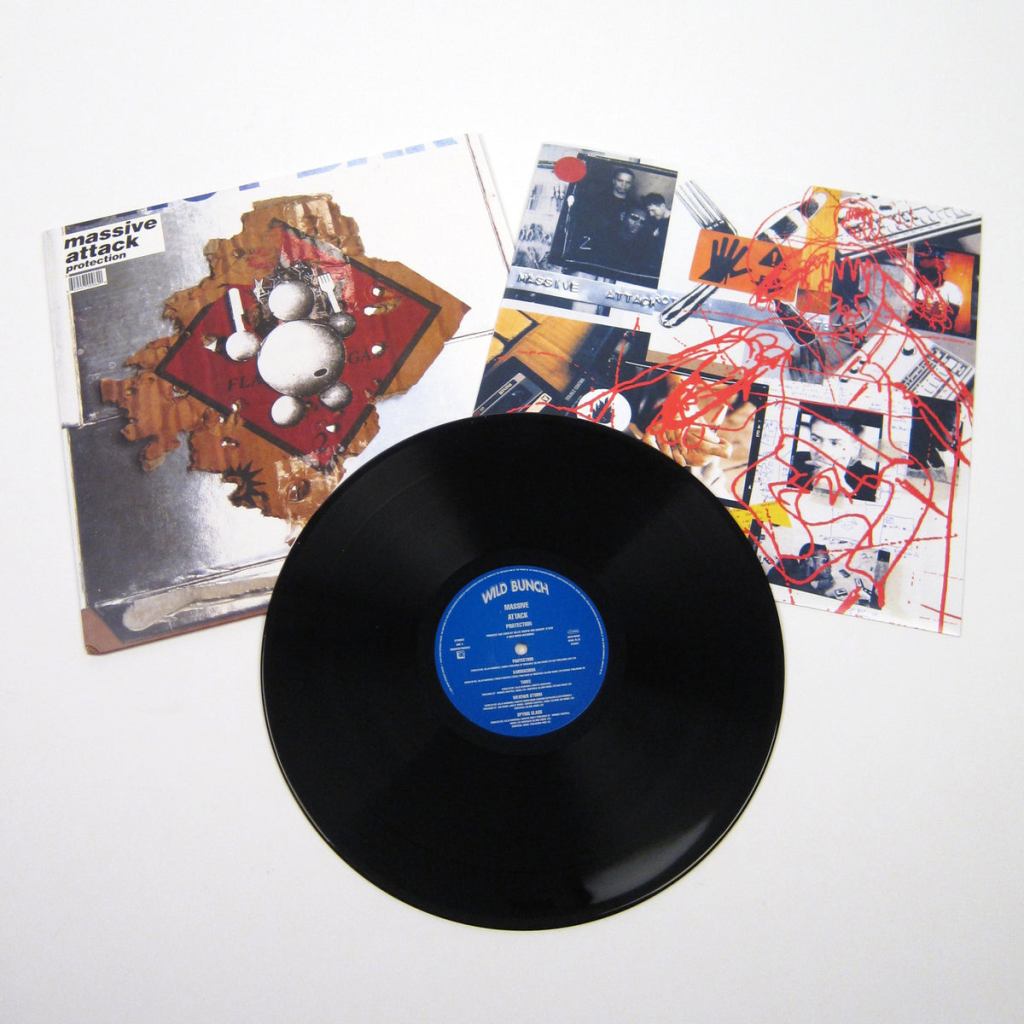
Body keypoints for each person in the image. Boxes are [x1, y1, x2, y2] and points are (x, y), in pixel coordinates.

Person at [788, 407, 880, 501]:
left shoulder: (871, 480)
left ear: (855, 448)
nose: (823, 451)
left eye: (834, 443)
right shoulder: (794, 461)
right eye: (815, 439)